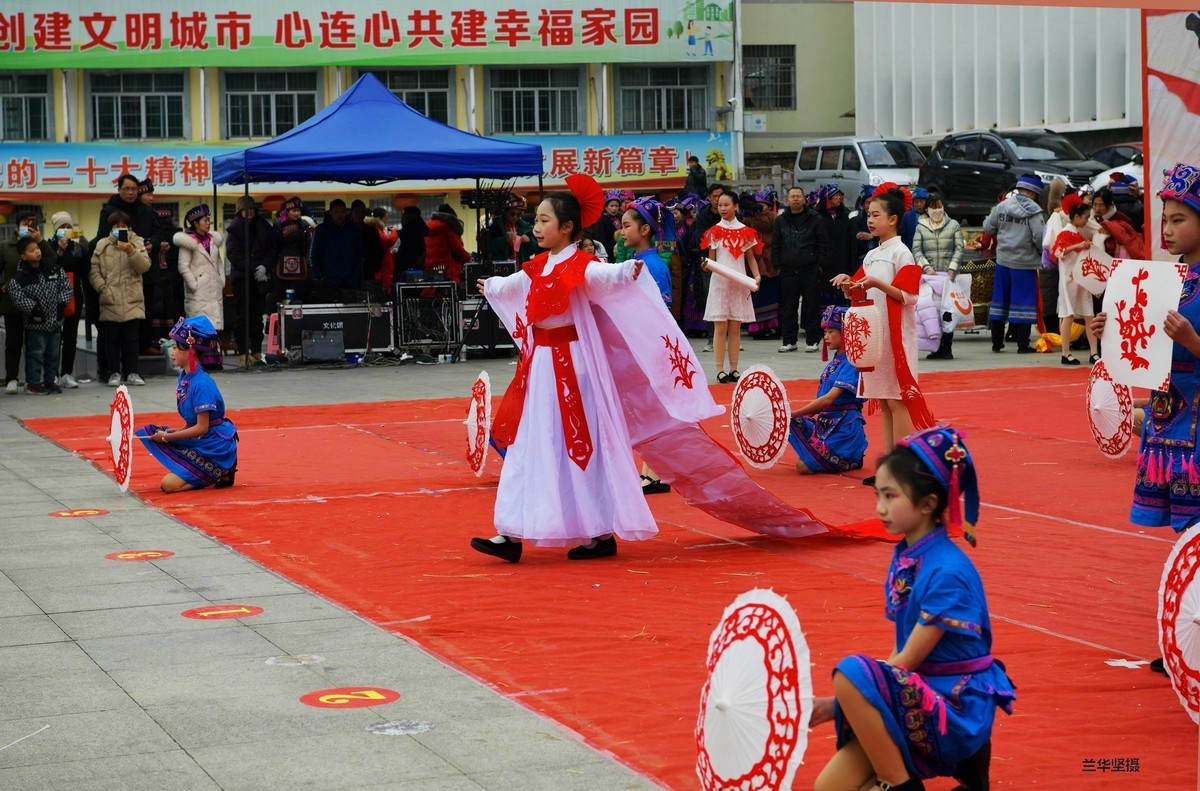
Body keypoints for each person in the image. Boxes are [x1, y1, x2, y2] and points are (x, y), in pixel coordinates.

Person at [470, 174, 720, 562]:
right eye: (535, 220)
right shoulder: (538, 265)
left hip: (574, 370)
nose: (535, 227)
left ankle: (597, 532)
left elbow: (605, 276)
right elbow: (514, 284)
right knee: (531, 443)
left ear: (567, 227)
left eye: (543, 220)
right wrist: (493, 285)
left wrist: (627, 272)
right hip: (539, 371)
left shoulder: (581, 264)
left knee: (577, 447)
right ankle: (511, 531)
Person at [810, 426, 1015, 791]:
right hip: (920, 691)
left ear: (927, 504)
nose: (879, 508)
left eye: (890, 496)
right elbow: (901, 654)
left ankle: (899, 782)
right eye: (878, 495)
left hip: (953, 704)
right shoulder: (909, 555)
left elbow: (907, 661)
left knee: (851, 672)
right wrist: (844, 703)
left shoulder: (947, 570)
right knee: (828, 787)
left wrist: (840, 703)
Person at [1092, 162, 1200, 675]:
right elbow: (1139, 350)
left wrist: (1193, 342)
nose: (1168, 228)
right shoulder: (1162, 280)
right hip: (1168, 422)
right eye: (1165, 219)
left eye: (1179, 219)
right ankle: (1187, 638)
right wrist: (1108, 328)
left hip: (1197, 429)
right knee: (1186, 538)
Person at [833, 188, 936, 453]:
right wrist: (847, 282)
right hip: (875, 337)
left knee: (898, 399)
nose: (870, 219)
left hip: (896, 336)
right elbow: (857, 290)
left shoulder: (902, 253)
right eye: (869, 214)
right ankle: (890, 461)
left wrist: (878, 282)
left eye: (876, 215)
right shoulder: (871, 255)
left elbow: (909, 295)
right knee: (884, 399)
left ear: (893, 219)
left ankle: (901, 462)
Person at [136, 316, 239, 493]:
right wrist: (175, 431)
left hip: (213, 445)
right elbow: (192, 423)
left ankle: (222, 465)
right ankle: (199, 469)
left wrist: (168, 437)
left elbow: (201, 428)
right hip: (203, 439)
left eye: (175, 348)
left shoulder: (201, 384)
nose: (171, 352)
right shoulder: (186, 377)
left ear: (190, 351)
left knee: (169, 485)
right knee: (152, 432)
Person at [623, 196, 678, 496]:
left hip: (651, 347)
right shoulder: (638, 263)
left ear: (645, 230)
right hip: (640, 344)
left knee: (654, 411)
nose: (622, 231)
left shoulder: (653, 267)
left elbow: (661, 314)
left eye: (627, 226)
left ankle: (657, 473)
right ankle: (651, 472)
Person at [789, 306, 868, 474]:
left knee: (802, 466)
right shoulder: (836, 361)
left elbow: (828, 399)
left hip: (844, 428)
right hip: (827, 422)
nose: (826, 337)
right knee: (786, 422)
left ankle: (849, 457)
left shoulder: (850, 362)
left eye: (831, 331)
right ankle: (823, 453)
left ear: (845, 332)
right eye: (825, 332)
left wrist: (795, 413)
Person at [702, 192, 762, 383]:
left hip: (739, 283)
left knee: (735, 327)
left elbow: (751, 257)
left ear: (735, 206)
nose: (723, 208)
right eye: (720, 205)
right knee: (720, 327)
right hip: (719, 284)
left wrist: (757, 276)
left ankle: (734, 369)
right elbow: (712, 260)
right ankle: (720, 370)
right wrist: (707, 265)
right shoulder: (713, 231)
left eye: (726, 205)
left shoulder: (746, 231)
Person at [982, 175, 1046, 355]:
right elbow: (1040, 237)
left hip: (1003, 261)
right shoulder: (1034, 210)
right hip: (1024, 263)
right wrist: (1041, 253)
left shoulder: (1002, 206)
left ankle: (996, 342)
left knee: (1000, 300)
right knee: (1024, 302)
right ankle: (1022, 345)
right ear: (1034, 192)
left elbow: (988, 227)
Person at [90, 210, 151, 386]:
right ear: (111, 228)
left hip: (132, 298)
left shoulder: (137, 241)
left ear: (129, 227)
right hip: (110, 298)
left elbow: (144, 266)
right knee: (112, 339)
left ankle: (132, 372)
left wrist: (131, 251)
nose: (120, 229)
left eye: (124, 226)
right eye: (117, 226)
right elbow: (94, 270)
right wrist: (102, 287)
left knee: (131, 338)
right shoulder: (102, 245)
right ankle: (114, 372)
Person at [7, 237, 72, 395]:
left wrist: (61, 304)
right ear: (23, 256)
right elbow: (17, 296)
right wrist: (35, 309)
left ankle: (50, 380)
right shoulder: (20, 278)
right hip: (36, 324)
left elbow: (66, 287)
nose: (37, 252)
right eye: (32, 250)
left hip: (55, 322)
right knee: (36, 353)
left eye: (37, 248)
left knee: (53, 353)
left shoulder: (54, 270)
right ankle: (33, 383)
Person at [1, 211, 55, 394]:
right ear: (16, 227)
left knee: (35, 345)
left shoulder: (39, 245)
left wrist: (40, 241)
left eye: (32, 224)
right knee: (13, 342)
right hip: (12, 304)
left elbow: (53, 261)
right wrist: (4, 285)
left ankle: (33, 380)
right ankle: (12, 378)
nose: (28, 227)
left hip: (37, 305)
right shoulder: (6, 247)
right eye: (25, 224)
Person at [774, 186, 830, 353]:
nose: (796, 199)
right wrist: (777, 267)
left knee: (811, 306)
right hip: (787, 270)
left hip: (810, 269)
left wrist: (820, 266)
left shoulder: (815, 218)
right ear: (787, 200)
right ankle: (789, 340)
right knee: (789, 306)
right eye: (793, 196)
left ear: (805, 199)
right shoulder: (781, 220)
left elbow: (823, 244)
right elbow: (776, 245)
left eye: (799, 196)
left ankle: (813, 340)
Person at [225, 196, 280, 366]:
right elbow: (234, 254)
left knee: (257, 315)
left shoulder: (263, 226)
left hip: (261, 277)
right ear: (239, 211)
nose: (249, 212)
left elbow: (273, 249)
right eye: (245, 209)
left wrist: (265, 266)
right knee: (243, 315)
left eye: (251, 208)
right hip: (243, 278)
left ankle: (256, 349)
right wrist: (253, 268)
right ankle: (243, 350)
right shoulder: (234, 229)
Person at [912, 190, 964, 360]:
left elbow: (959, 248)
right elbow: (917, 250)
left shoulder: (953, 224)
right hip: (930, 278)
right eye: (933, 207)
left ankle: (947, 348)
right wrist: (926, 267)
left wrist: (953, 268)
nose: (937, 211)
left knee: (948, 312)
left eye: (939, 207)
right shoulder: (921, 226)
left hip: (949, 277)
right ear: (927, 210)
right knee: (931, 314)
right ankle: (936, 348)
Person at [174, 205, 226, 371]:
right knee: (199, 327)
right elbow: (183, 267)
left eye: (208, 220)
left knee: (212, 326)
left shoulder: (213, 240)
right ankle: (201, 361)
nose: (208, 223)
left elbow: (219, 264)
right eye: (205, 220)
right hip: (198, 291)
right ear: (195, 223)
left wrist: (221, 280)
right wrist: (194, 284)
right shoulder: (188, 243)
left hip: (213, 289)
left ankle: (214, 361)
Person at [1048, 196, 1099, 365]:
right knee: (1068, 314)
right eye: (1085, 218)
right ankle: (1065, 352)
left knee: (1088, 314)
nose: (1087, 221)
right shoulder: (1065, 233)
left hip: (1080, 278)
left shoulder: (1076, 234)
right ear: (1076, 217)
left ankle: (1094, 352)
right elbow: (1057, 252)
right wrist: (1078, 246)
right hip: (1069, 279)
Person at [48, 212, 90, 388]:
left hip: (74, 293)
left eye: (68, 227)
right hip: (53, 294)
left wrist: (84, 246)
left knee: (71, 335)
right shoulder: (48, 246)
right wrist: (59, 250)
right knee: (54, 336)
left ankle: (67, 373)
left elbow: (84, 269)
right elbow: (49, 266)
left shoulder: (77, 246)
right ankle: (52, 374)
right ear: (56, 230)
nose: (65, 230)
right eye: (62, 227)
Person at [744, 188, 780, 339]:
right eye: (758, 204)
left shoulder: (774, 221)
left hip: (770, 260)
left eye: (764, 204)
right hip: (756, 260)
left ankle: (771, 327)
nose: (761, 207)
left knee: (771, 295)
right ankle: (758, 327)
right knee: (758, 296)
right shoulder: (748, 221)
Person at [311, 199, 364, 291]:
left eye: (342, 212)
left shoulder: (353, 229)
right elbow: (315, 253)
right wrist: (319, 274)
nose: (340, 215)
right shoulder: (321, 230)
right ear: (331, 213)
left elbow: (358, 253)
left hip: (350, 278)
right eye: (336, 212)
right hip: (328, 277)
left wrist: (356, 274)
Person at [819, 184, 857, 304]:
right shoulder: (817, 217)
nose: (839, 198)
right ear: (827, 199)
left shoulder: (846, 215)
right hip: (825, 263)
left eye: (840, 195)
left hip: (842, 260)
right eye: (836, 196)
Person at [274, 197, 315, 299]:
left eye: (299, 211)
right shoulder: (278, 224)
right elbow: (274, 245)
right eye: (294, 211)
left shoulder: (304, 225)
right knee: (281, 294)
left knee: (300, 293)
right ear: (287, 212)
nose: (297, 213)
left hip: (301, 264)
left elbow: (309, 244)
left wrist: (308, 262)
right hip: (281, 263)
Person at [486, 195, 539, 265]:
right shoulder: (496, 226)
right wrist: (504, 239)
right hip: (502, 267)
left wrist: (529, 241)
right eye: (512, 214)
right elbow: (489, 248)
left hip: (521, 267)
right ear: (505, 212)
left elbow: (535, 249)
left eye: (519, 214)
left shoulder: (526, 227)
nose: (515, 217)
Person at [424, 204, 469, 285]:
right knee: (450, 292)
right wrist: (469, 258)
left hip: (431, 268)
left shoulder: (428, 227)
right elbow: (458, 248)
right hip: (448, 268)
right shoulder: (448, 228)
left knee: (433, 291)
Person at [365, 207, 399, 292]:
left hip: (382, 263)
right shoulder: (376, 229)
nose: (386, 221)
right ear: (379, 219)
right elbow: (388, 241)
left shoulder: (375, 228)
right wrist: (394, 232)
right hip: (382, 264)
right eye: (385, 218)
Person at [395, 205, 429, 275]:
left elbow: (407, 252)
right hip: (418, 265)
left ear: (409, 217)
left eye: (404, 216)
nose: (401, 220)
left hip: (407, 264)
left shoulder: (410, 231)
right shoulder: (420, 229)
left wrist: (394, 232)